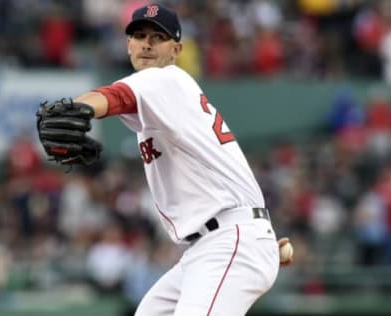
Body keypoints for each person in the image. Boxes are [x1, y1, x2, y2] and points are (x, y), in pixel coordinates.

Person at [39, 4, 293, 315]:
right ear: (128, 44)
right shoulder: (164, 102)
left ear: (176, 49)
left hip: (229, 243)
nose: (146, 43)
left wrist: (79, 109)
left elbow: (115, 97)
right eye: (139, 35)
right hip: (214, 247)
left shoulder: (166, 80)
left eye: (157, 37)